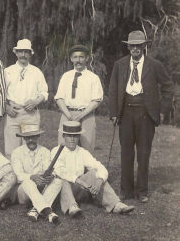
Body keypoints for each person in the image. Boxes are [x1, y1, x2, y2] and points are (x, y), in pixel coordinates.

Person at [108, 30, 174, 203]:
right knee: (126, 152)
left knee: (143, 153)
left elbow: (168, 87)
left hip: (146, 114)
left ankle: (142, 191)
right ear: (128, 47)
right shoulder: (120, 64)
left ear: (144, 46)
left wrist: (161, 111)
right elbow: (113, 89)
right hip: (126, 113)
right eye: (132, 45)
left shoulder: (155, 65)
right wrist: (114, 112)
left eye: (139, 45)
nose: (135, 49)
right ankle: (126, 190)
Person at [53, 121, 135, 217]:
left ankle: (116, 205)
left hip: (79, 189)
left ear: (79, 137)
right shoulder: (56, 150)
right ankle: (72, 207)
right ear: (63, 136)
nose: (72, 139)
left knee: (95, 173)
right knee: (62, 180)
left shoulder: (82, 152)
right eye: (69, 136)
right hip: (63, 192)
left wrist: (99, 181)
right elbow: (60, 171)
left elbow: (99, 167)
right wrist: (80, 181)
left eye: (75, 136)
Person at [54, 44, 103, 153]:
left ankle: (86, 170)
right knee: (63, 148)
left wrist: (81, 115)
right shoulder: (66, 76)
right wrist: (68, 115)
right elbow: (59, 98)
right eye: (75, 57)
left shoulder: (93, 78)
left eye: (81, 57)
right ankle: (64, 170)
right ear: (71, 59)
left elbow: (96, 100)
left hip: (86, 116)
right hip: (67, 115)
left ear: (86, 58)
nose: (78, 60)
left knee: (87, 148)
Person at [4, 39, 48, 158]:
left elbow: (44, 92)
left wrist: (35, 102)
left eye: (26, 52)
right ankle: (12, 175)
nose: (23, 55)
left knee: (30, 148)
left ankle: (29, 175)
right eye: (20, 51)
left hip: (30, 113)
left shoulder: (36, 72)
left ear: (30, 54)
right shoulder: (8, 71)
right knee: (11, 150)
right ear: (16, 53)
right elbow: (0, 93)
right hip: (13, 113)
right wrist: (6, 107)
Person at [10, 124, 61, 223]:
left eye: (33, 137)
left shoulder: (45, 151)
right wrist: (32, 177)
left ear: (38, 136)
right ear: (24, 138)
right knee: (28, 182)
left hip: (41, 189)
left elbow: (49, 169)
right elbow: (18, 175)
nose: (30, 140)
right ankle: (48, 211)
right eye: (28, 138)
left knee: (58, 182)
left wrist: (51, 176)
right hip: (24, 192)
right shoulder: (17, 153)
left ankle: (35, 210)